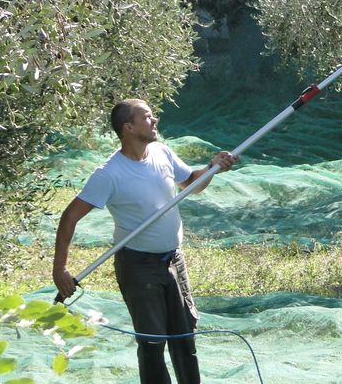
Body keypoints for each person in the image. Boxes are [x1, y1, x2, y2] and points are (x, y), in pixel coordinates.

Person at [53, 98, 237, 384]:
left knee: (185, 335)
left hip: (174, 259)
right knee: (152, 343)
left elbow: (192, 183)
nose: (155, 121)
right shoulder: (109, 174)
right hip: (138, 265)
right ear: (128, 127)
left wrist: (212, 167)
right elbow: (70, 217)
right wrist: (60, 268)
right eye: (147, 117)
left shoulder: (161, 153)